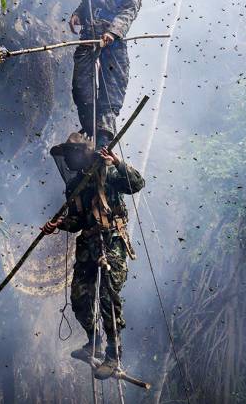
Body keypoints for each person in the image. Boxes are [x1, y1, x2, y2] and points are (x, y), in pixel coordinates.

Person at [43, 132, 145, 379]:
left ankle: (113, 354)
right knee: (79, 298)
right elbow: (77, 221)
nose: (67, 158)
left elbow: (137, 183)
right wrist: (57, 225)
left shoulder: (107, 173)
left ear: (82, 153)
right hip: (88, 244)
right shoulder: (74, 185)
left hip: (112, 243)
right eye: (66, 153)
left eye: (71, 153)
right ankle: (94, 341)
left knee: (108, 296)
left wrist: (118, 162)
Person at [69, 0, 156, 148]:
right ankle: (89, 132)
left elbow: (128, 10)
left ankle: (104, 142)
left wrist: (113, 32)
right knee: (81, 88)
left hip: (112, 42)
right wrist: (78, 14)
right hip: (89, 37)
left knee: (112, 90)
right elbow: (87, 0)